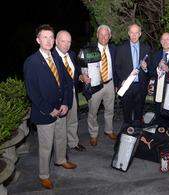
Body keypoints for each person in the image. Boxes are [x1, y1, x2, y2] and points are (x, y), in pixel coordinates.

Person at [23, 24, 77, 189]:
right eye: (44, 37)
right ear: (38, 40)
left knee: (61, 138)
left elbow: (67, 82)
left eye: (51, 37)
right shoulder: (32, 62)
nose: (48, 40)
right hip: (45, 112)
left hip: (61, 109)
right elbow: (32, 91)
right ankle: (44, 175)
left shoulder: (57, 58)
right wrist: (48, 109)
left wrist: (67, 103)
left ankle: (61, 160)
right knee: (46, 147)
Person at [79, 25, 118, 146]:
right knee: (93, 112)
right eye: (101, 34)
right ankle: (93, 134)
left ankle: (109, 130)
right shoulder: (88, 49)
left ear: (110, 36)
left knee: (109, 110)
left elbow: (116, 68)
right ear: (97, 35)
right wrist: (82, 76)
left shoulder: (114, 49)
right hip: (95, 86)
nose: (103, 37)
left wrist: (116, 84)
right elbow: (82, 66)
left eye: (106, 34)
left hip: (110, 84)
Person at [52, 30, 86, 152]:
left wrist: (80, 77)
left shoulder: (71, 54)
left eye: (69, 42)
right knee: (60, 127)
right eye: (63, 41)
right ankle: (60, 152)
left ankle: (73, 142)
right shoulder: (52, 57)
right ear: (56, 42)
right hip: (59, 98)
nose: (66, 44)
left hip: (73, 94)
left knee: (73, 121)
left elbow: (74, 73)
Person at [115, 24, 151, 124]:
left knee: (138, 115)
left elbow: (150, 68)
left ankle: (137, 133)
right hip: (126, 86)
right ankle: (127, 132)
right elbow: (117, 66)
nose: (134, 35)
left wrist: (145, 68)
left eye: (136, 33)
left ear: (140, 34)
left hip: (140, 86)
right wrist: (123, 79)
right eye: (132, 32)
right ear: (128, 33)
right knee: (126, 115)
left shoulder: (146, 48)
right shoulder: (121, 48)